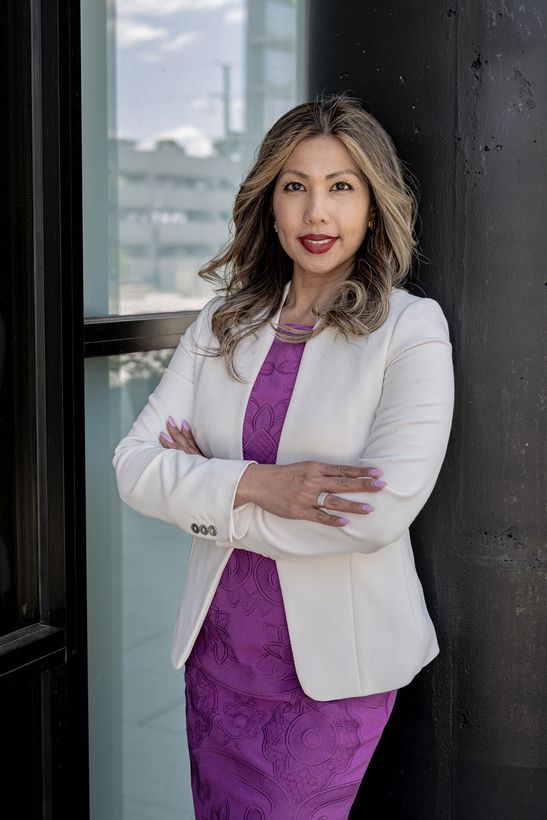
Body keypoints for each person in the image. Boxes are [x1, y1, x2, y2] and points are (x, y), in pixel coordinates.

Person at [113, 93, 455, 819]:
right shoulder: (223, 320)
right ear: (268, 204)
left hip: (332, 675)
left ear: (372, 204)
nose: (315, 213)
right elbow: (134, 466)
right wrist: (261, 484)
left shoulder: (409, 329)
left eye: (341, 187)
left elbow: (370, 514)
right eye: (294, 187)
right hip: (218, 660)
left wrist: (206, 490)